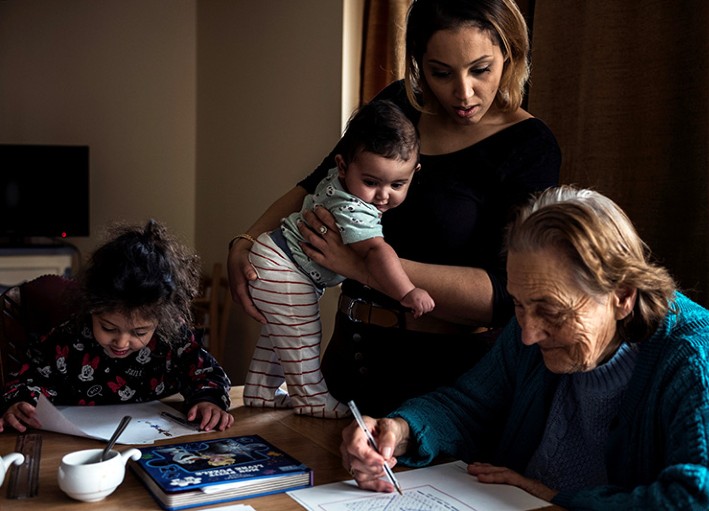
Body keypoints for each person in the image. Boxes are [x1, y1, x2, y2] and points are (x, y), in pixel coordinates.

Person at [228, 0, 561, 416]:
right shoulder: (399, 105)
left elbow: (506, 295)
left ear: (510, 54)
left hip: (441, 381)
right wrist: (246, 241)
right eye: (441, 72)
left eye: (481, 69)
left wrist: (363, 266)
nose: (463, 92)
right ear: (419, 63)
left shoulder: (529, 146)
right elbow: (317, 182)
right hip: (345, 358)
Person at [339, 185, 709, 509]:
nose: (527, 335)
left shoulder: (702, 355)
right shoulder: (530, 323)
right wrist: (400, 431)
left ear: (622, 295)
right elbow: (468, 405)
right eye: (519, 306)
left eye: (552, 312)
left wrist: (555, 498)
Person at [241, 99, 433, 418]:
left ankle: (260, 391)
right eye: (371, 182)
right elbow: (376, 252)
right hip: (284, 267)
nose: (383, 195)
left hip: (273, 257)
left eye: (398, 184)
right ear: (343, 167)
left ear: (416, 171)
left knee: (281, 334)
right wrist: (406, 292)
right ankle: (311, 398)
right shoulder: (354, 208)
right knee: (303, 334)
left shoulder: (337, 181)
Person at [0, 220, 235, 433]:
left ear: (161, 320)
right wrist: (21, 403)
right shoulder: (68, 338)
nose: (121, 343)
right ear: (92, 308)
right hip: (72, 446)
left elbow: (207, 373)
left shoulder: (173, 338)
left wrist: (208, 401)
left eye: (139, 332)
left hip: (152, 441)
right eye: (109, 328)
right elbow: (26, 378)